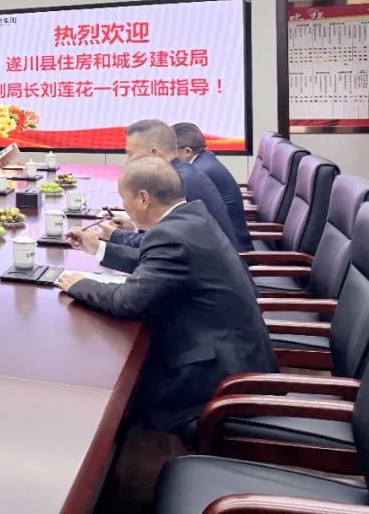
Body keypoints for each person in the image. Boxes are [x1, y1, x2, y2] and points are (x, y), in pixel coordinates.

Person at [57, 158, 275, 444]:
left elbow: (126, 302)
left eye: (124, 198)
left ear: (143, 198)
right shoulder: (192, 215)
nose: (124, 206)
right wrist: (98, 248)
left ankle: (110, 460)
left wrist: (79, 284)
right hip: (237, 352)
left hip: (216, 377)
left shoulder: (171, 236)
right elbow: (154, 261)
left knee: (117, 390)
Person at [98, 119, 249, 261]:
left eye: (130, 153)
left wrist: (113, 236)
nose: (127, 161)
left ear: (154, 154)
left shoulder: (178, 183)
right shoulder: (183, 172)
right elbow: (164, 237)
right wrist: (134, 228)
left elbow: (159, 244)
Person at [172, 122, 253, 252]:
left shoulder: (198, 173)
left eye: (171, 150)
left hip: (234, 252)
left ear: (187, 151)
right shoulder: (205, 161)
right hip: (225, 243)